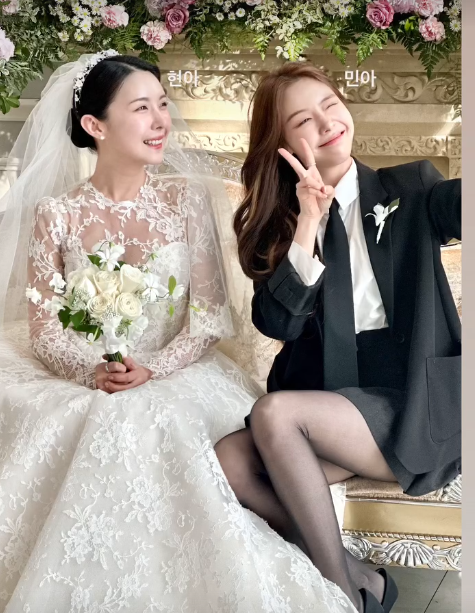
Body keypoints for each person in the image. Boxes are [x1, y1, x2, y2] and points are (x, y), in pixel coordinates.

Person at [0, 54, 355, 612]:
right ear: (95, 125)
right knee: (88, 419)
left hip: (176, 367)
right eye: (142, 108)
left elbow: (209, 318)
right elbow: (45, 328)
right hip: (87, 374)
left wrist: (153, 368)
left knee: (150, 420)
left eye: (163, 104)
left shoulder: (185, 199)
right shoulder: (56, 214)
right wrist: (92, 371)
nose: (161, 120)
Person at [215, 62, 461, 613]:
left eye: (330, 104)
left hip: (414, 403)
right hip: (332, 407)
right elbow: (279, 325)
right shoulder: (278, 227)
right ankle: (362, 580)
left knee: (275, 414)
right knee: (230, 461)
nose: (326, 122)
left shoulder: (411, 187)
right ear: (282, 144)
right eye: (304, 119)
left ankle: (343, 598)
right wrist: (308, 221)